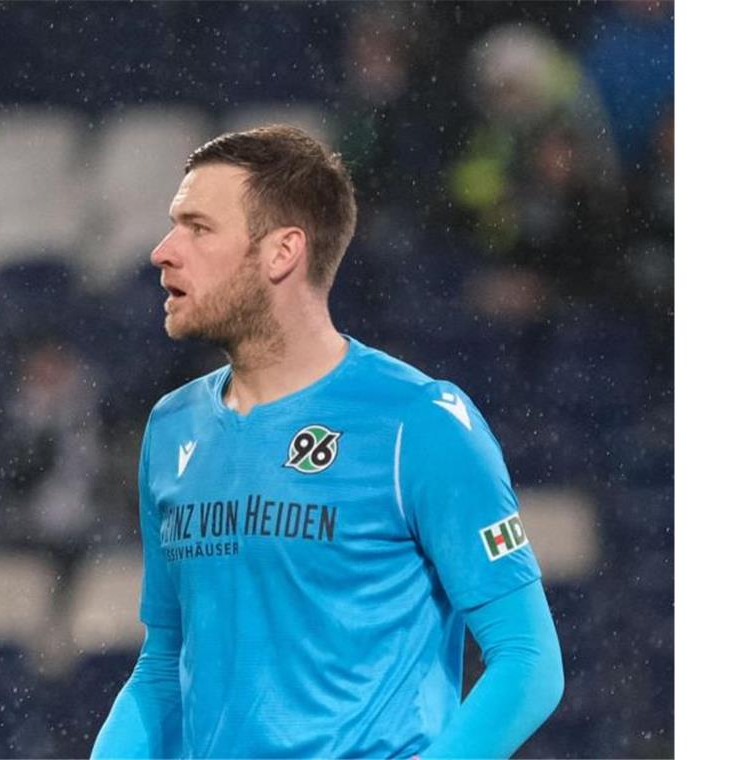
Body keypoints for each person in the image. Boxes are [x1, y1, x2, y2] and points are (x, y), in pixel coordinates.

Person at [91, 125, 563, 759]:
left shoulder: (417, 422)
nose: (163, 251)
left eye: (198, 228)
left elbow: (528, 662)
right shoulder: (173, 426)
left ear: (283, 251)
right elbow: (162, 670)